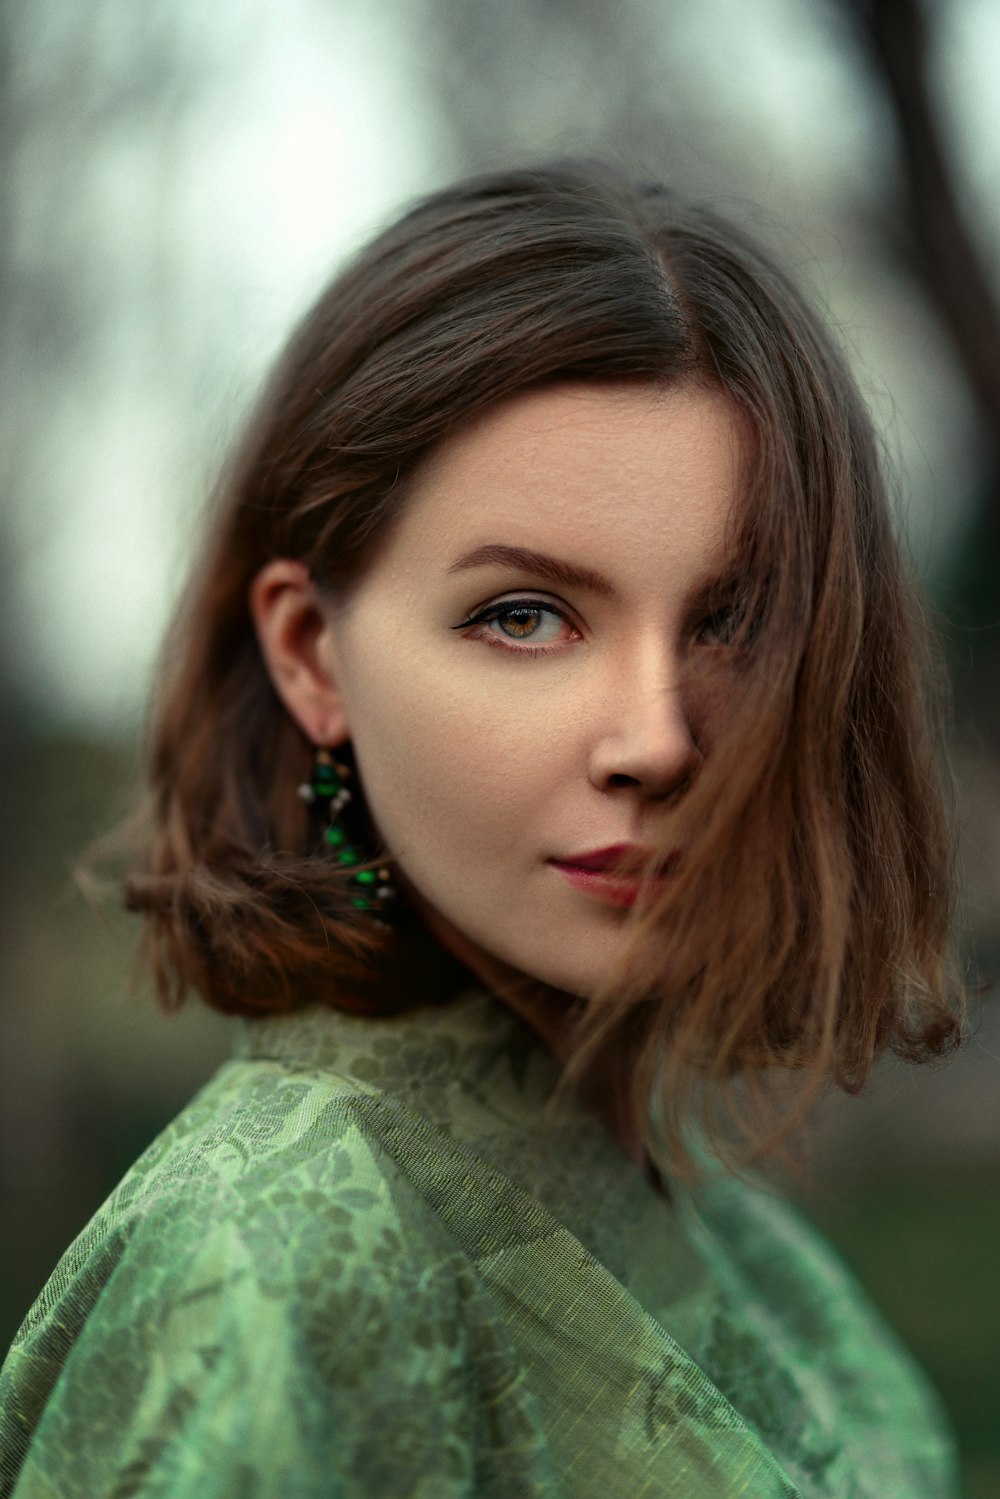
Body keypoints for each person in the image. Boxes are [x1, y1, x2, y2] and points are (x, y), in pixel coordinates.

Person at [0, 160, 965, 1497]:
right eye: (524, 614)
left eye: (733, 620)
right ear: (310, 656)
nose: (658, 738)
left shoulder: (725, 1225)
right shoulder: (268, 1269)